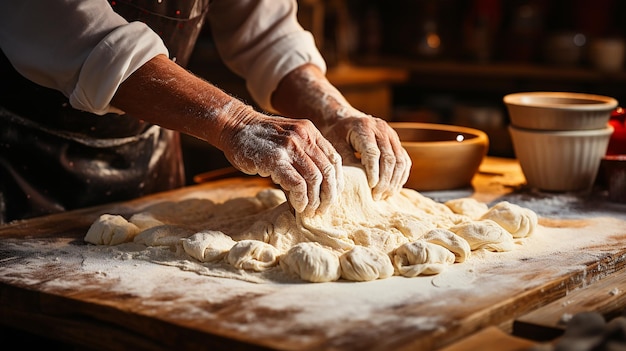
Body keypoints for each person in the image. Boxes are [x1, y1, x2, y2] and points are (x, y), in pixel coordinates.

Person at [0, 0, 411, 224]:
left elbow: (267, 33)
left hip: (150, 148)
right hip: (22, 157)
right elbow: (83, 39)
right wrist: (236, 122)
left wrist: (333, 111)